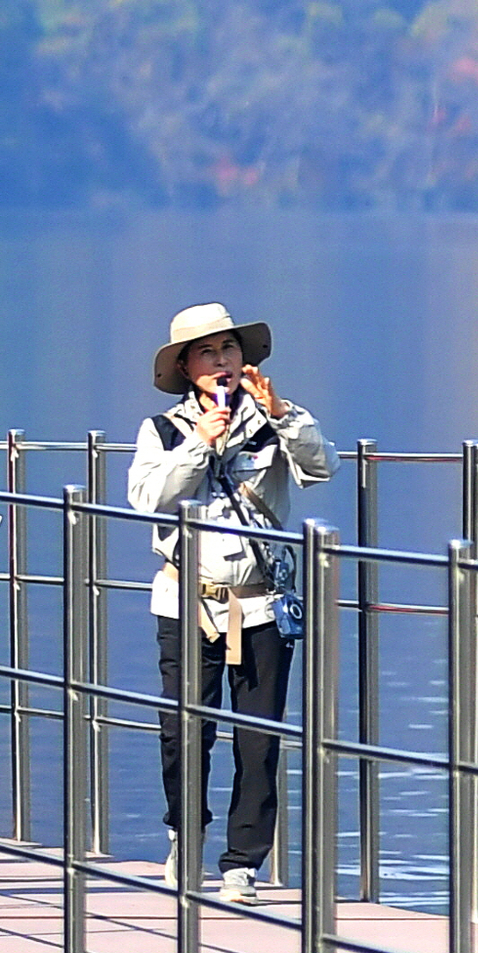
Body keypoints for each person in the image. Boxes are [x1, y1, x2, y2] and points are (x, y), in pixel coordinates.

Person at [126, 302, 332, 905]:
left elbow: (322, 467)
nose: (222, 363)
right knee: (183, 729)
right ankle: (183, 836)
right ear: (186, 367)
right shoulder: (161, 430)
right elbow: (147, 497)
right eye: (208, 354)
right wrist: (199, 446)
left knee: (259, 737)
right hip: (186, 599)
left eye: (230, 352)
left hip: (260, 600)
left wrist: (285, 416)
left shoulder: (277, 420)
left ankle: (243, 862)